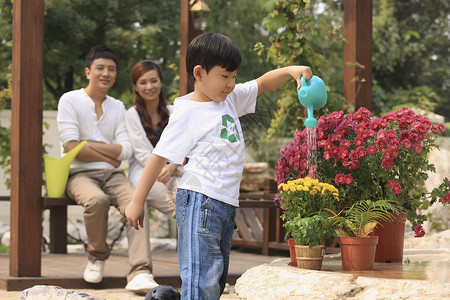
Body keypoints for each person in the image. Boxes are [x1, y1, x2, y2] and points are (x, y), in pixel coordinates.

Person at [125, 33, 313, 299]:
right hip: (200, 202)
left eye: (234, 76)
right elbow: (157, 158)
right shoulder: (187, 113)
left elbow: (261, 84)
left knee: (215, 279)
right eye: (225, 76)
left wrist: (290, 71)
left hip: (224, 204)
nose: (231, 83)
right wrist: (136, 201)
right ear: (199, 73)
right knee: (202, 280)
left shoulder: (229, 99)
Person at [57, 45, 159, 294]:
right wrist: (106, 153)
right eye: (100, 68)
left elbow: (125, 151)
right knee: (96, 200)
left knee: (137, 201)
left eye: (111, 69)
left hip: (114, 174)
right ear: (88, 71)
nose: (106, 73)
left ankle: (140, 271)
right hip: (79, 174)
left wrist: (88, 145)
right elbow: (71, 146)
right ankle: (96, 257)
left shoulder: (117, 107)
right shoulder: (69, 99)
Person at [125, 60, 182, 219]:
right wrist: (168, 169)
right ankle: (188, 222)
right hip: (145, 174)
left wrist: (172, 169)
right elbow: (142, 154)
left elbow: (182, 146)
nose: (149, 87)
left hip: (174, 171)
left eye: (154, 81)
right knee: (161, 195)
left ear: (161, 83)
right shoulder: (132, 115)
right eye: (143, 82)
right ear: (136, 87)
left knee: (186, 194)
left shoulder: (173, 111)